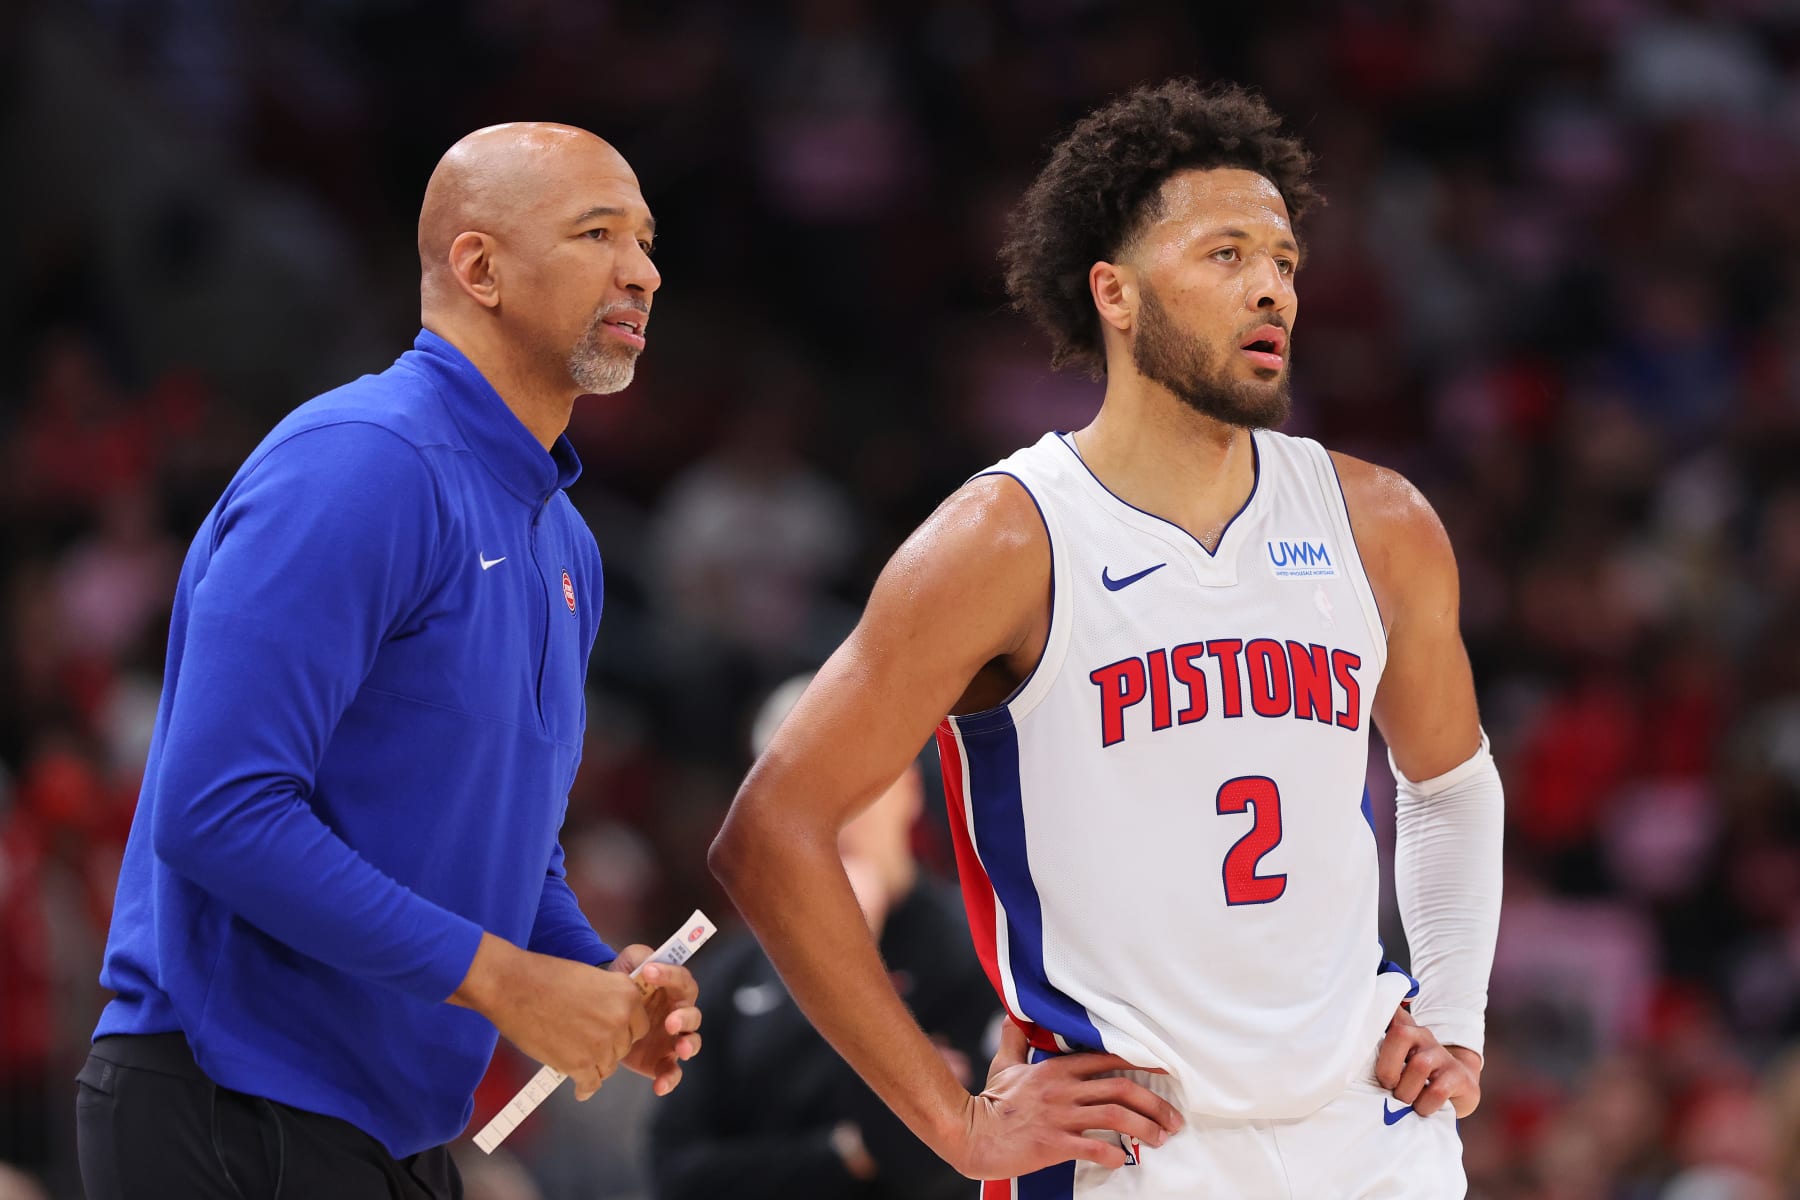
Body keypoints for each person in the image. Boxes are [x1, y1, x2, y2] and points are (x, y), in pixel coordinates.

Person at [710, 79, 1503, 1198]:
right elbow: (771, 832)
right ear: (1115, 293)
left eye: (1282, 259)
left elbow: (1452, 782)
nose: (1271, 285)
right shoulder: (1002, 541)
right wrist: (957, 1125)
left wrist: (1456, 1013)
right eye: (1226, 255)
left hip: (1368, 1134)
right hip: (1131, 1150)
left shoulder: (1379, 523)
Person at [76, 123, 703, 1200]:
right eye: (597, 233)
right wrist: (511, 986)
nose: (641, 270)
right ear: (479, 266)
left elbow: (507, 851)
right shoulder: (365, 463)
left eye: (644, 240)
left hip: (396, 1134)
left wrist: (589, 976)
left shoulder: (567, 544)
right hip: (228, 1108)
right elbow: (217, 808)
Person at [650, 676, 996, 1200]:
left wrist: (859, 947)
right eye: (798, 792)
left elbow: (956, 1160)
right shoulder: (730, 973)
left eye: (857, 781)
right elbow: (677, 1174)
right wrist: (842, 1153)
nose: (831, 814)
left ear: (910, 789)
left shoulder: (983, 950)